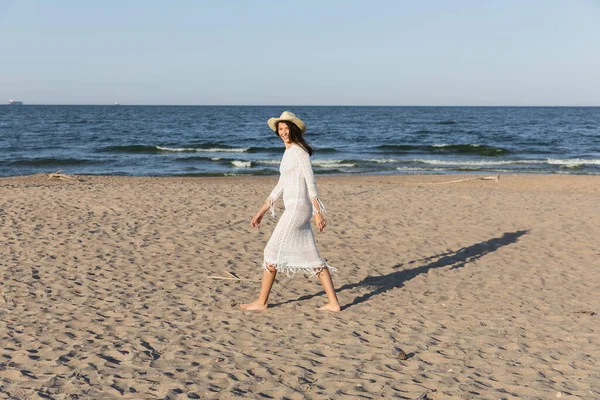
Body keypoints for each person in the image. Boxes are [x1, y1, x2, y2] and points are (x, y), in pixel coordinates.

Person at [240, 111, 341, 312]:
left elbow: (310, 181)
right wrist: (261, 211)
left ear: (293, 129)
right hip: (296, 208)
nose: (284, 132)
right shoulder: (288, 153)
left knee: (270, 252)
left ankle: (262, 302)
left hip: (298, 208)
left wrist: (317, 211)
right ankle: (334, 303)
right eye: (281, 129)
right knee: (312, 256)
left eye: (286, 129)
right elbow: (281, 185)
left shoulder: (298, 151)